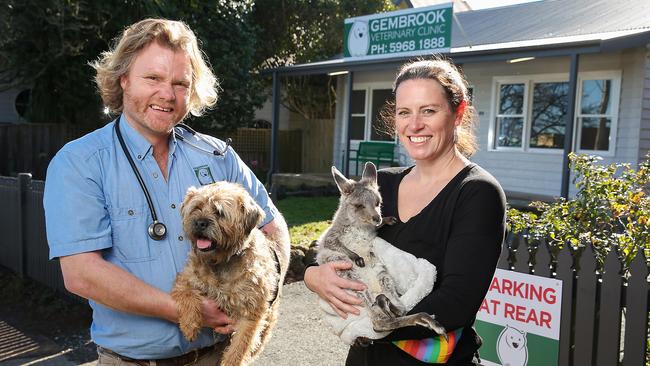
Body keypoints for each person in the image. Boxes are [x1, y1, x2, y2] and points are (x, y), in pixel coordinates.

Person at [43, 18, 288, 365]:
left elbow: (272, 225)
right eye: (153, 78)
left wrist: (270, 290)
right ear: (123, 78)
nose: (168, 94)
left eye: (180, 83)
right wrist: (185, 310)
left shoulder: (218, 156)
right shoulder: (79, 163)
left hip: (221, 356)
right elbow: (81, 273)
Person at [304, 58, 506, 365]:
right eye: (404, 112)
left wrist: (365, 323)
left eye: (429, 110)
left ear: (458, 113)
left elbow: (456, 303)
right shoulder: (381, 184)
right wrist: (313, 275)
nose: (415, 125)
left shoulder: (477, 193)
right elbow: (332, 239)